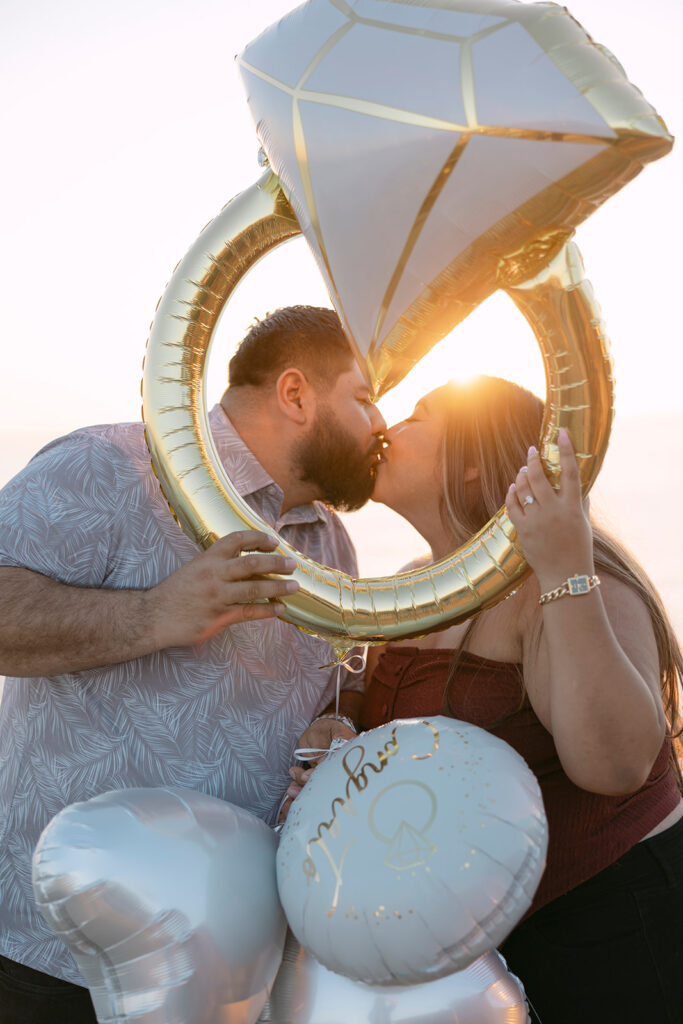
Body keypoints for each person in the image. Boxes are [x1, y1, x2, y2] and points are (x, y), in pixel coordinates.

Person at [0, 305, 385, 1022]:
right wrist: (154, 615)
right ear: (295, 394)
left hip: (222, 972)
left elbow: (340, 681)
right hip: (52, 959)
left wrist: (338, 723)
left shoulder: (331, 542)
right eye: (364, 397)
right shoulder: (108, 466)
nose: (379, 423)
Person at [292, 375, 683, 1024]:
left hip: (615, 920)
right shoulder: (412, 585)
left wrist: (564, 571)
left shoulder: (578, 580)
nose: (387, 425)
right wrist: (337, 720)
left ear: (472, 463)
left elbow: (614, 768)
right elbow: (376, 704)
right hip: (484, 951)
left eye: (417, 415)